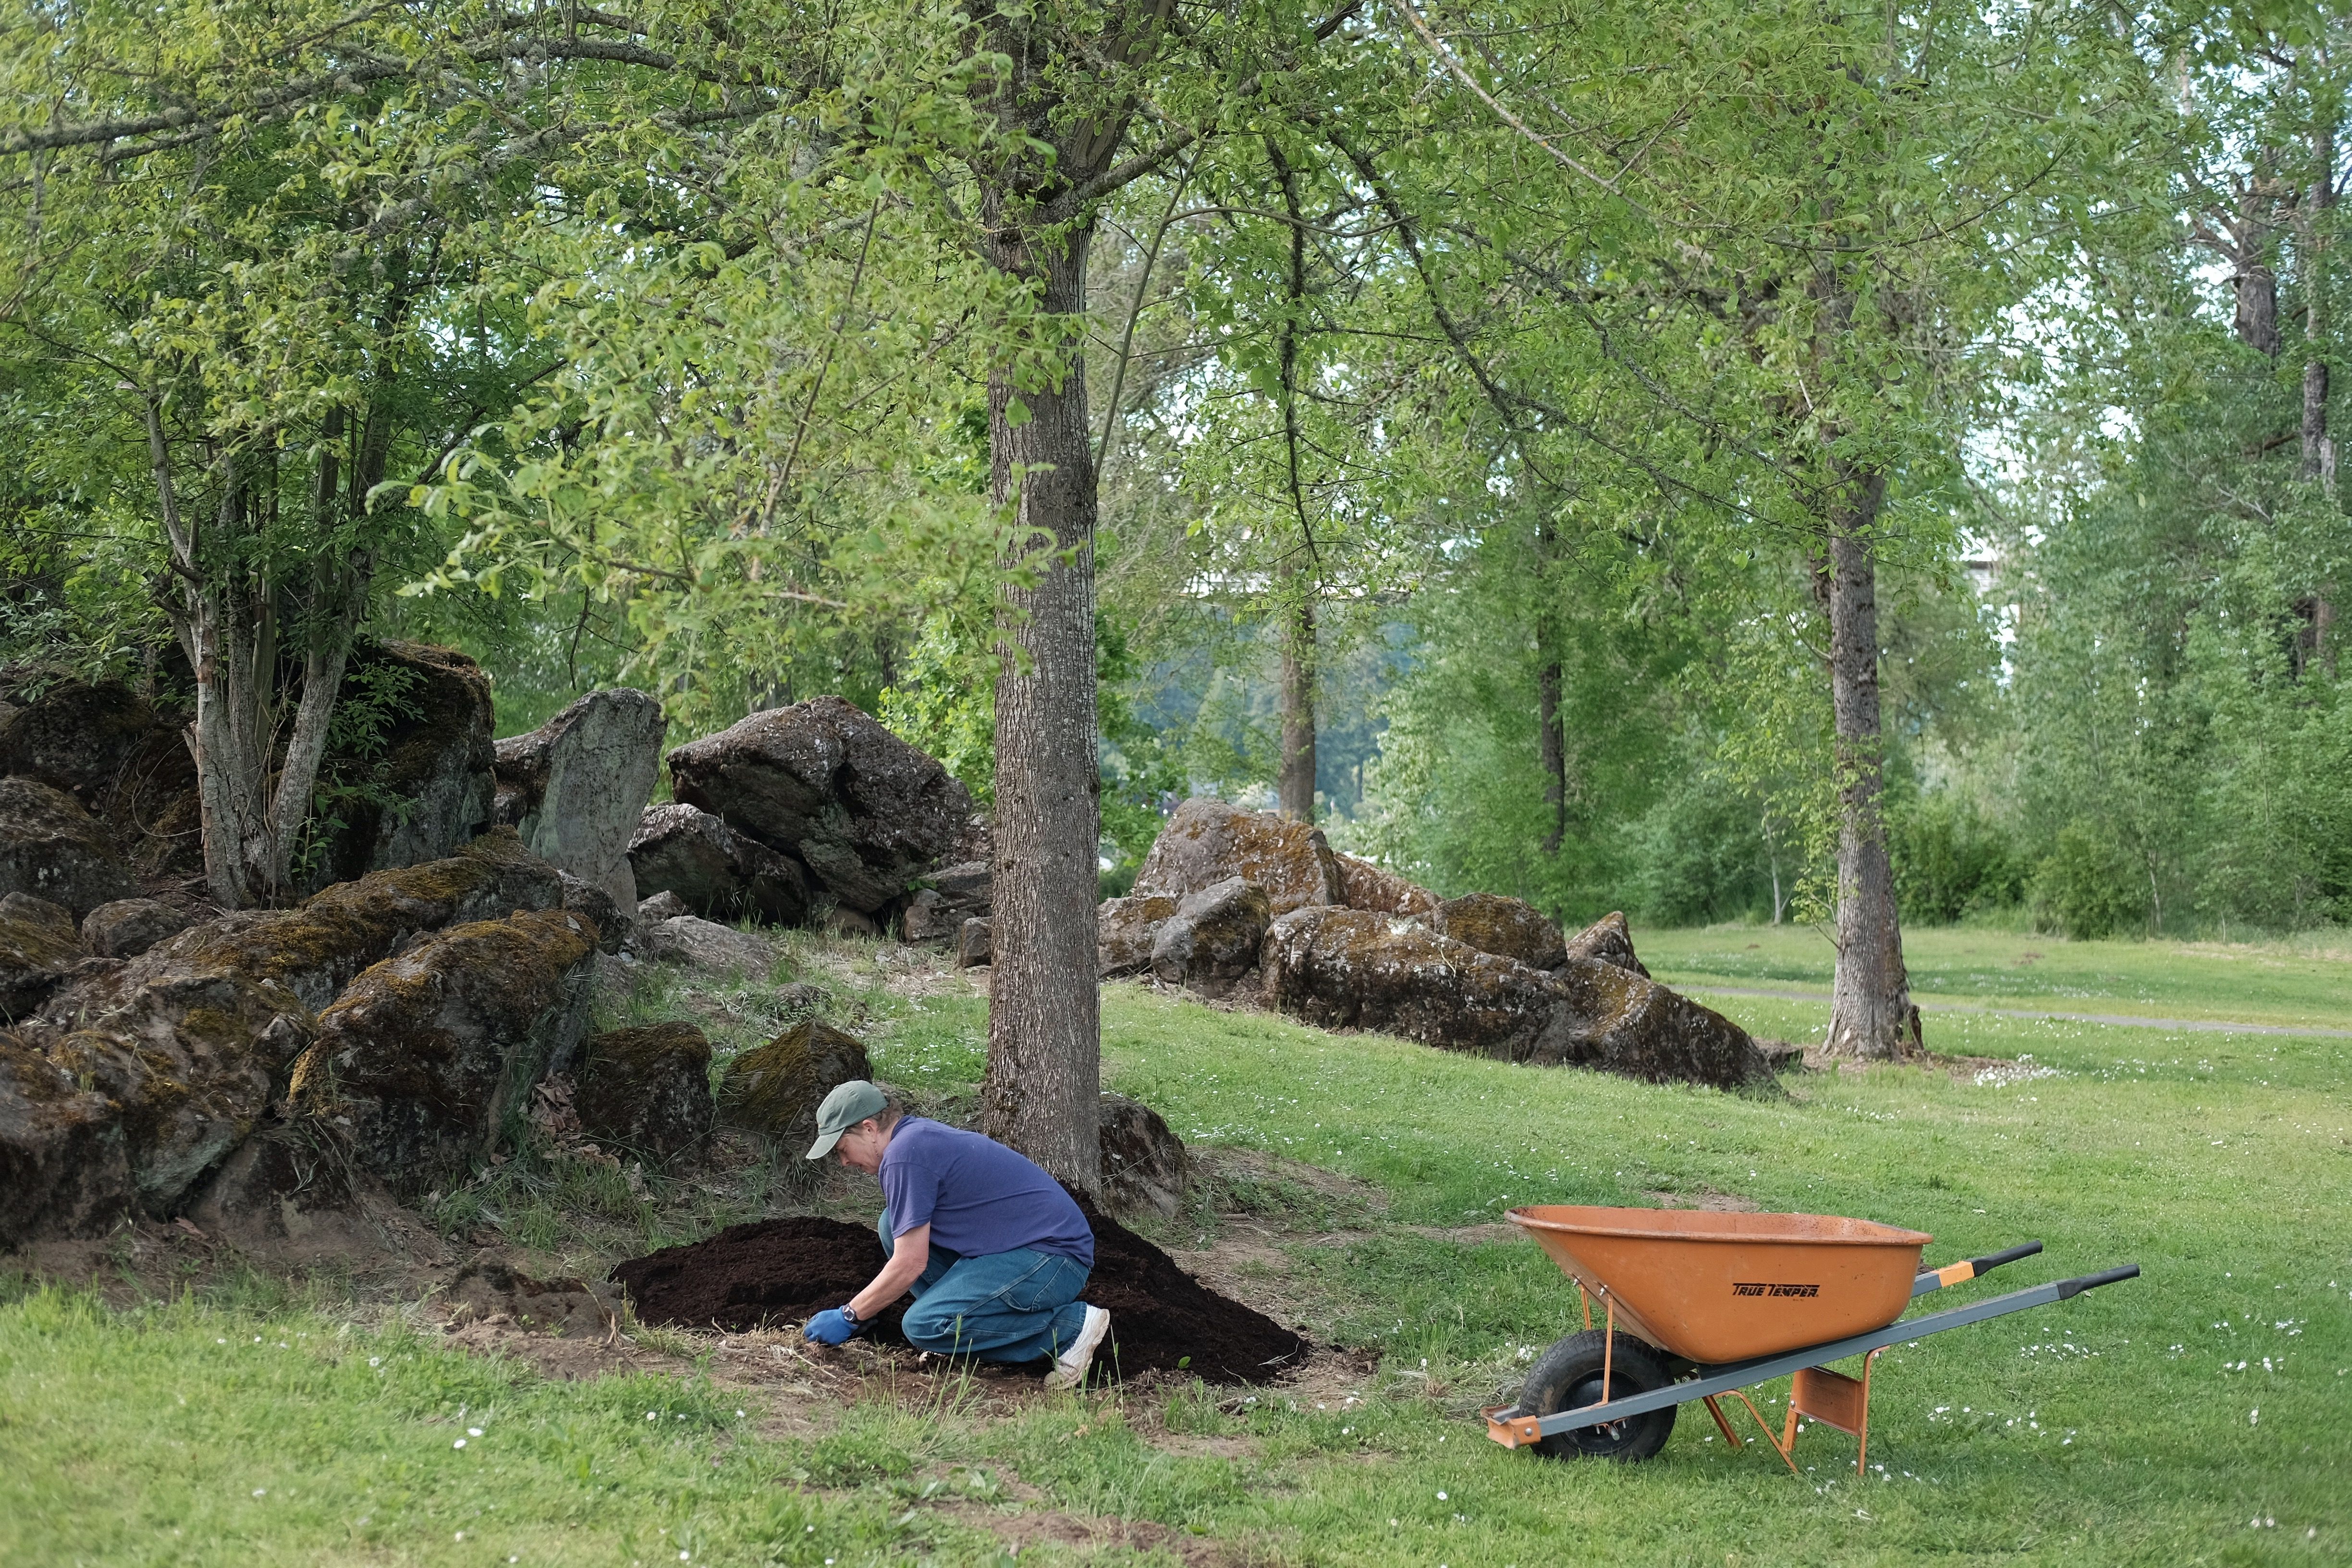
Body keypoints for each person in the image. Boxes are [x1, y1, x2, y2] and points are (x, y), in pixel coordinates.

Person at [800, 1079, 1112, 1389]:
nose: (844, 1162)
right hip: (1028, 1249)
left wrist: (851, 1315)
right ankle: (957, 1338)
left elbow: (910, 1263)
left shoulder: (904, 1155)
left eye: (842, 1148)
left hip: (1052, 1260)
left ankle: (1070, 1328)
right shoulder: (914, 1140)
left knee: (922, 1325)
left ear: (868, 1129)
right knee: (892, 1224)